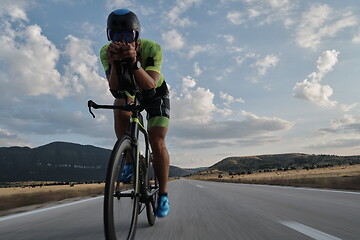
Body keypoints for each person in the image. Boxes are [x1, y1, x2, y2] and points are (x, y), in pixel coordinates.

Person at [100, 9, 170, 217]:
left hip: (155, 92)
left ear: (136, 36)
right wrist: (113, 64)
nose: (122, 42)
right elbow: (114, 88)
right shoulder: (106, 51)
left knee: (157, 141)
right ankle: (130, 158)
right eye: (116, 36)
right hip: (129, 91)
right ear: (109, 36)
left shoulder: (152, 48)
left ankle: (164, 194)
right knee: (119, 103)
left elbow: (149, 85)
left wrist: (134, 63)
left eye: (127, 36)